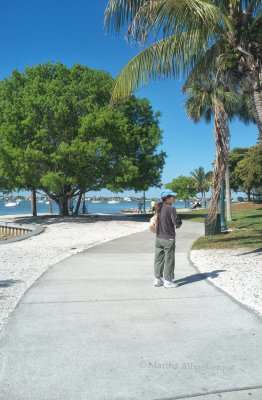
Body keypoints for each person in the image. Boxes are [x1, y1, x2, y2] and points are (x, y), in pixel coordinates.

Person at [153, 189, 182, 288]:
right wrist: (179, 224)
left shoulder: (158, 207)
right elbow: (176, 221)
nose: (174, 198)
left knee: (158, 259)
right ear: (168, 198)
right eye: (173, 196)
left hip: (159, 237)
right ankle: (168, 280)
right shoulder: (171, 208)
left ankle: (157, 279)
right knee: (169, 259)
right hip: (168, 238)